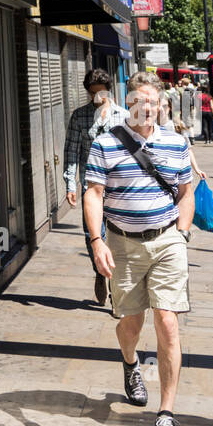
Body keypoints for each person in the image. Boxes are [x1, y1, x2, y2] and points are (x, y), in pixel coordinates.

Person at [84, 71, 195, 426]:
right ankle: (131, 364)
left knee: (167, 321)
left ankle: (166, 415)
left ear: (161, 104)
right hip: (122, 244)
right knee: (131, 323)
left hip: (166, 241)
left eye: (152, 101)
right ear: (127, 102)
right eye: (138, 101)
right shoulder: (105, 143)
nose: (145, 108)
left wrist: (181, 234)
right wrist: (97, 241)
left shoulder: (177, 143)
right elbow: (94, 194)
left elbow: (184, 193)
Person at [64, 68, 128, 307]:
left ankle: (116, 286)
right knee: (94, 234)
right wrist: (70, 183)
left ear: (108, 90)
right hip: (91, 186)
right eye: (92, 93)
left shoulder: (123, 116)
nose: (97, 97)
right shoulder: (79, 117)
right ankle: (100, 271)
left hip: (118, 187)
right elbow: (71, 151)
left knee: (118, 236)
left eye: (101, 92)